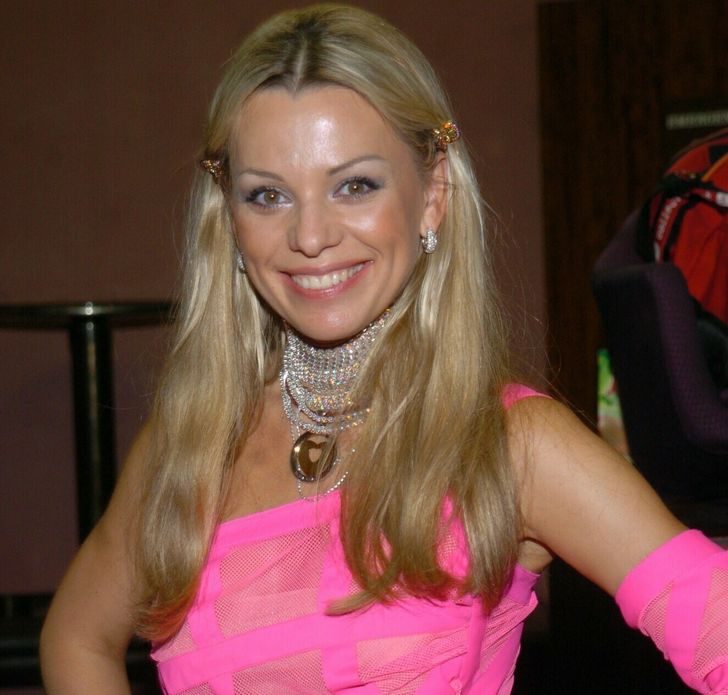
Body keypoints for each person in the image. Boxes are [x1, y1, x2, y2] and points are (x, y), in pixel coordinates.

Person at [39, 5, 728, 694]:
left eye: (355, 186)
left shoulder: (508, 445)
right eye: (268, 195)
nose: (311, 235)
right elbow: (77, 638)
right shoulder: (189, 447)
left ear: (432, 194)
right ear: (229, 220)